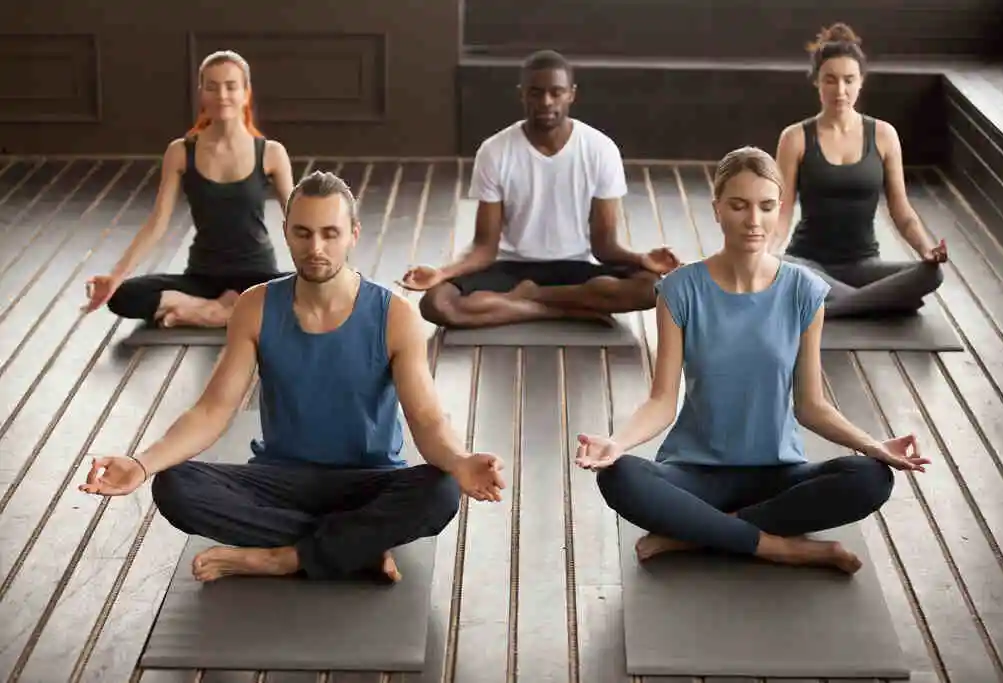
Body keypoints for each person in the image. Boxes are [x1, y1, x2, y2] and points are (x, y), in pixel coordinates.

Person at [78, 170, 506, 583]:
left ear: (353, 234)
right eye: (302, 232)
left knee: (440, 490)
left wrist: (460, 461)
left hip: (369, 482)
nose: (315, 246)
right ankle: (353, 546)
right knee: (174, 485)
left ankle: (286, 558)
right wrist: (141, 463)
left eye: (330, 233)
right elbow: (211, 410)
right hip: (281, 479)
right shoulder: (255, 306)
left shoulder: (394, 316)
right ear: (285, 232)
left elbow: (428, 420)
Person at [575, 147, 929, 574]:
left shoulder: (804, 290)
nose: (753, 220)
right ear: (717, 210)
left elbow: (811, 405)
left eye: (765, 206)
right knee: (620, 476)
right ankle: (783, 548)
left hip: (777, 474)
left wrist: (873, 446)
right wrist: (618, 443)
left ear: (780, 209)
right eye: (738, 205)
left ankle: (698, 535)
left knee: (871, 478)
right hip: (694, 473)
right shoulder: (678, 290)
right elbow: (661, 401)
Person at [399, 50, 679, 329]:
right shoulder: (494, 151)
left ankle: (530, 299)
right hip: (511, 268)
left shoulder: (600, 149)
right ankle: (561, 310)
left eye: (556, 93)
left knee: (652, 288)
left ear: (571, 94)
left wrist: (641, 258)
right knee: (436, 304)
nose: (546, 102)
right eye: (536, 93)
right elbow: (485, 247)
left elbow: (605, 247)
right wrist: (442, 273)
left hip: (574, 266)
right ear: (522, 95)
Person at [82, 50, 295, 329]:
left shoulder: (271, 153)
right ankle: (222, 312)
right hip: (202, 277)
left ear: (246, 93)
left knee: (325, 291)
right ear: (202, 94)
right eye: (212, 87)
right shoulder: (181, 152)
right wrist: (115, 277)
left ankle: (212, 313)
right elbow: (157, 223)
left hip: (257, 276)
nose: (222, 95)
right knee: (121, 296)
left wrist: (330, 271)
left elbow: (297, 220)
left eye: (231, 86)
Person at [772, 23, 947, 319]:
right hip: (807, 263)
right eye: (830, 80)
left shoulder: (883, 135)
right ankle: (880, 303)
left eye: (848, 80)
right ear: (817, 81)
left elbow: (902, 212)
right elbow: (782, 212)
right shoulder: (795, 138)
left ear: (861, 81)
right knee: (780, 269)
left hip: (865, 266)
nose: (840, 90)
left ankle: (833, 307)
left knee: (933, 275)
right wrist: (764, 255)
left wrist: (927, 250)